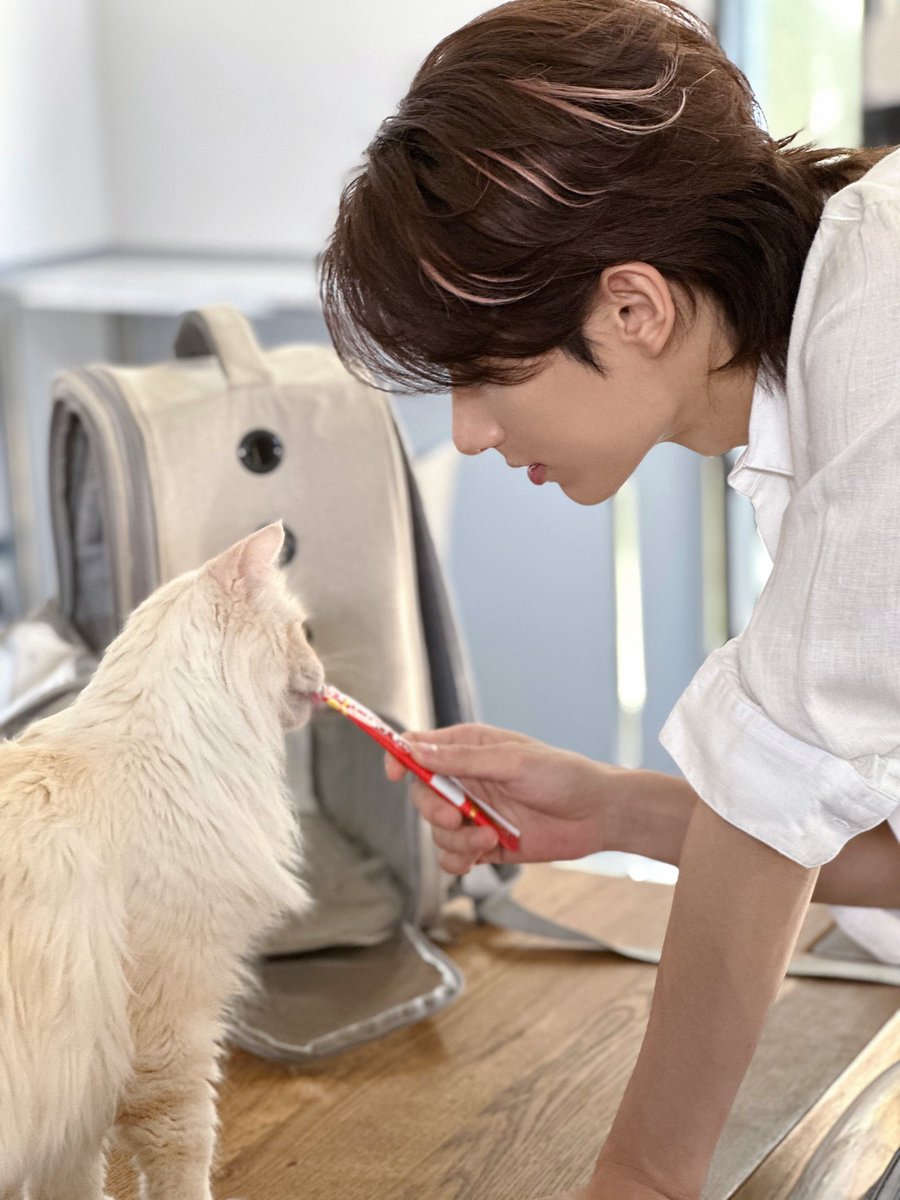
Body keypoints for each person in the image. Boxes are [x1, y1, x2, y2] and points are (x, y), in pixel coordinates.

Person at [318, 2, 900, 1196]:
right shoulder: (818, 393)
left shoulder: (881, 331)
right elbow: (813, 812)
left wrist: (640, 1176)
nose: (472, 434)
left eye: (485, 376)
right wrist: (614, 813)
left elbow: (777, 788)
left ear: (634, 309)